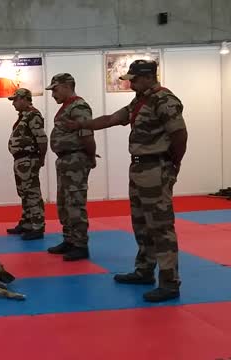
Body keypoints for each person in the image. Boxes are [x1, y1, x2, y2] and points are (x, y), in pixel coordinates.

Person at [62, 59, 187, 302]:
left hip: (156, 166)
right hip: (140, 167)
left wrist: (173, 163)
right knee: (141, 223)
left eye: (135, 79)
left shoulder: (164, 99)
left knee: (160, 226)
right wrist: (80, 124)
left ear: (149, 77)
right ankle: (144, 270)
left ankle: (170, 282)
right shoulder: (140, 100)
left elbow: (179, 133)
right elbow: (111, 119)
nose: (131, 83)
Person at [45, 73, 97, 261]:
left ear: (68, 86)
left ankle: (80, 245)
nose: (53, 95)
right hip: (66, 161)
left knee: (75, 202)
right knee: (64, 203)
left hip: (75, 160)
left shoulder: (79, 107)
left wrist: (90, 156)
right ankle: (69, 239)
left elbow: (87, 135)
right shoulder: (67, 107)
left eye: (56, 89)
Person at [5, 88, 48, 240]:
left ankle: (38, 226)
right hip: (20, 160)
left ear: (24, 99)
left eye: (15, 100)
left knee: (32, 193)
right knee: (24, 192)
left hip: (28, 159)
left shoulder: (33, 115)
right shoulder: (24, 116)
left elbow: (42, 138)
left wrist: (41, 158)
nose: (14, 104)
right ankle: (27, 223)